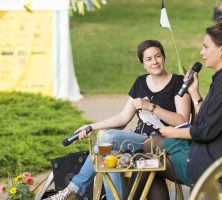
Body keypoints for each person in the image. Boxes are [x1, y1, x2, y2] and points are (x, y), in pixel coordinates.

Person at [126, 17, 222, 199]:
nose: (201, 52)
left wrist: (173, 132)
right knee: (149, 151)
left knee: (144, 162)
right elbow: (206, 121)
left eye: (205, 47)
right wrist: (195, 93)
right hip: (219, 153)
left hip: (221, 165)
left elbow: (205, 131)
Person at [47, 39, 191, 200]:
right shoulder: (140, 83)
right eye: (149, 59)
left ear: (164, 57)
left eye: (158, 56)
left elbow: (182, 121)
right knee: (107, 153)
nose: (155, 62)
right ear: (143, 64)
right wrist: (91, 126)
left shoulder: (177, 82)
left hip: (162, 144)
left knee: (105, 139)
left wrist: (151, 107)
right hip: (138, 144)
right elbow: (123, 118)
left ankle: (72, 190)